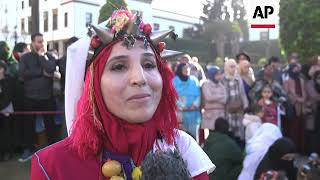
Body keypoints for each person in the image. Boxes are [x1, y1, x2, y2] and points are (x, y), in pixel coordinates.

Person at [30, 10, 214, 179]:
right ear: (93, 85)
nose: (139, 78)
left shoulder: (183, 149)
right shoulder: (52, 166)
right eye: (118, 66)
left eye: (149, 65)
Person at [18, 33, 58, 162]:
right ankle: (28, 149)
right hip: (30, 97)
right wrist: (41, 72)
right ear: (33, 43)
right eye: (39, 42)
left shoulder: (49, 57)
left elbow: (51, 69)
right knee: (28, 125)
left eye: (43, 42)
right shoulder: (25, 58)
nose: (41, 44)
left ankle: (53, 150)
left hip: (47, 97)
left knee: (50, 125)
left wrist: (42, 57)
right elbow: (23, 74)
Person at [173, 63, 202, 141]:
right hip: (180, 114)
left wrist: (194, 106)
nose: (187, 70)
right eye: (184, 68)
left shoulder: (194, 80)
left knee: (194, 138)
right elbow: (173, 97)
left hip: (193, 114)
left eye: (188, 68)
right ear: (180, 70)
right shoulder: (174, 81)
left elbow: (199, 95)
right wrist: (183, 107)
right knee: (181, 139)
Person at [283, 63, 307, 153]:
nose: (296, 70)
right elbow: (286, 93)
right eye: (294, 69)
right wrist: (296, 99)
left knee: (301, 127)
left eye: (297, 68)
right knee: (293, 128)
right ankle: (293, 148)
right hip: (293, 107)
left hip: (302, 107)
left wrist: (303, 99)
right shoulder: (287, 80)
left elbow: (304, 91)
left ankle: (301, 149)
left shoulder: (301, 79)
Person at [223, 59, 248, 142]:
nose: (233, 69)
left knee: (239, 131)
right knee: (229, 130)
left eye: (234, 66)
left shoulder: (238, 78)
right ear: (226, 67)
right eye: (231, 67)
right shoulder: (223, 79)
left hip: (238, 108)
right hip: (228, 109)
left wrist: (245, 104)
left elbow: (242, 93)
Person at [201, 66, 226, 130]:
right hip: (210, 114)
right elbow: (209, 97)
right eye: (217, 74)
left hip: (220, 114)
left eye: (220, 74)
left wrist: (214, 96)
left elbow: (225, 99)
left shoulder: (221, 85)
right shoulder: (206, 84)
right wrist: (220, 96)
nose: (219, 76)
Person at [0, 60, 14, 161]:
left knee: (6, 133)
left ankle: (8, 152)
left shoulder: (9, 81)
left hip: (6, 111)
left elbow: (8, 98)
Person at [305, 70, 320, 154]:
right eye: (318, 77)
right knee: (314, 133)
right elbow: (314, 96)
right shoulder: (310, 84)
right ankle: (313, 153)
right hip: (314, 113)